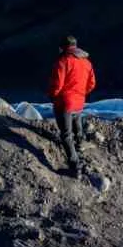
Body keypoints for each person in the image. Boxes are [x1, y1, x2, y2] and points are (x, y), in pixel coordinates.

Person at [48, 35, 96, 176]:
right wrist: (81, 93)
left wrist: (53, 96)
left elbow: (57, 85)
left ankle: (75, 168)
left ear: (63, 47)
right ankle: (80, 144)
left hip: (64, 102)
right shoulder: (87, 62)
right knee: (77, 122)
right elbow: (92, 83)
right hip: (79, 101)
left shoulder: (63, 61)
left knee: (66, 135)